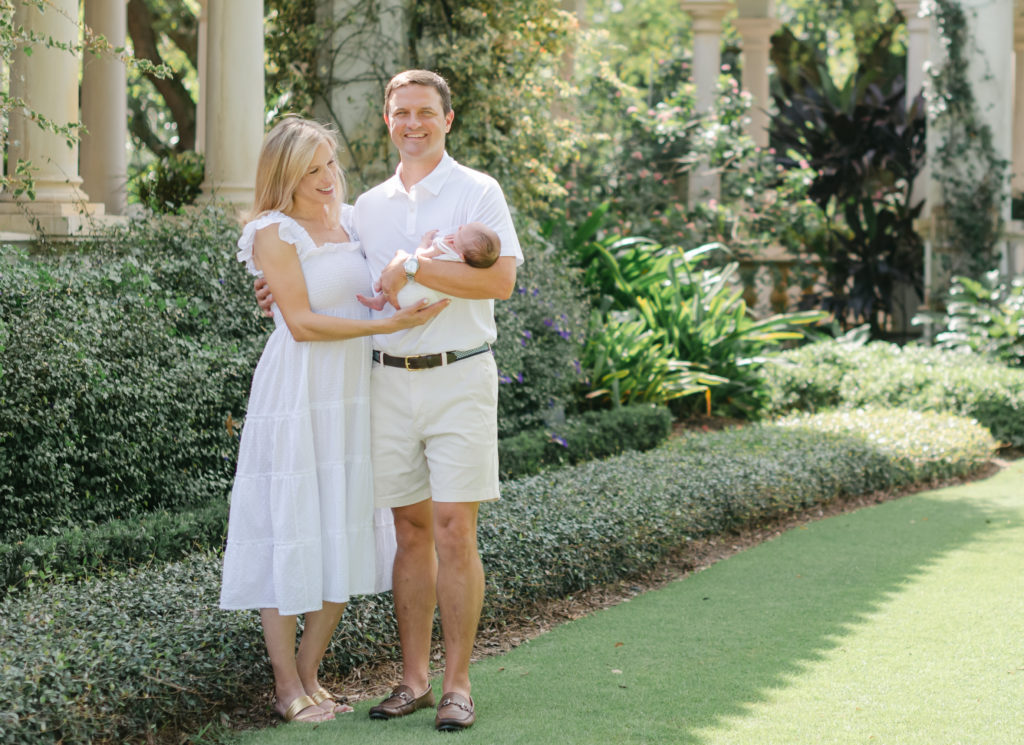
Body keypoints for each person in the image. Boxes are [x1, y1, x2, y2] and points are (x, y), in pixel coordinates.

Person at [255, 70, 523, 731]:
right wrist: (272, 287)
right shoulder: (366, 207)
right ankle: (413, 680)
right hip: (385, 381)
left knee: (455, 527)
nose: (413, 123)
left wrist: (414, 267)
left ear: (447, 119)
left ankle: (458, 684)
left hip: (459, 375)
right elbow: (317, 252)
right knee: (407, 531)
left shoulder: (477, 191)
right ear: (386, 119)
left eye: (425, 112)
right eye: (401, 112)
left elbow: (504, 280)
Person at [220, 116, 448, 725]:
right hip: (299, 393)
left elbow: (379, 279)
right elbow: (299, 322)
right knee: (292, 529)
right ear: (285, 176)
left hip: (354, 395)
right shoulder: (271, 230)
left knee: (343, 529)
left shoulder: (351, 222)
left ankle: (314, 673)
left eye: (329, 164)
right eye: (311, 169)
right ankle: (287, 685)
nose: (326, 178)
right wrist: (385, 327)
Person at [358, 222, 501, 311]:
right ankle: (380, 299)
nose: (460, 227)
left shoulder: (445, 248)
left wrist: (425, 242)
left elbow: (420, 257)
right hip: (425, 300)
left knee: (401, 261)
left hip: (408, 296)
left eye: (461, 231)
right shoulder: (465, 264)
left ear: (461, 254)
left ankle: (379, 299)